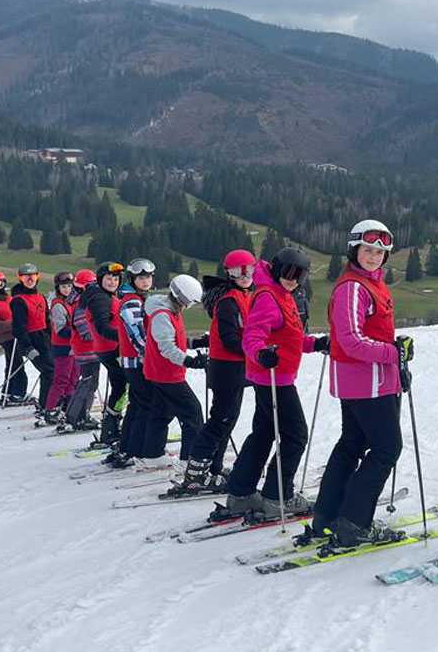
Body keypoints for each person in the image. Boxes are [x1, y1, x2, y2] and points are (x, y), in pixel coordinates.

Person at [310, 220, 415, 548]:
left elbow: (371, 333)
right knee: (387, 449)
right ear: (354, 250)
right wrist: (393, 353)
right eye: (367, 250)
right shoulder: (353, 288)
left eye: (380, 252)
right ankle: (354, 522)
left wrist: (397, 361)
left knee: (352, 444)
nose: (373, 256)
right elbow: (351, 340)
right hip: (366, 383)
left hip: (372, 381)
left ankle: (328, 516)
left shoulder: (371, 284)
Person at [223, 247, 319, 517]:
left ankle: (241, 492)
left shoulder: (282, 294)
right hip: (274, 378)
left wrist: (315, 343)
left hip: (272, 376)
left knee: (264, 433)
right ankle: (278, 496)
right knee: (295, 435)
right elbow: (252, 337)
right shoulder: (268, 296)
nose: (292, 279)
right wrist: (261, 353)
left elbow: (288, 336)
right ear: (276, 269)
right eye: (288, 272)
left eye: (299, 275)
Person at [176, 248, 256, 493]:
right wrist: (255, 350)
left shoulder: (243, 295)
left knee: (228, 419)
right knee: (220, 421)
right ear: (228, 273)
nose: (245, 276)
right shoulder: (228, 301)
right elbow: (229, 338)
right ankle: (195, 474)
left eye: (249, 270)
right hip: (227, 368)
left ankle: (213, 468)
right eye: (238, 271)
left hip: (237, 368)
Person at [141, 274, 207, 469]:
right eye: (190, 303)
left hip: (160, 373)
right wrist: (190, 361)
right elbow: (166, 347)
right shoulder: (162, 315)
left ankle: (153, 455)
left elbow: (177, 338)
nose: (190, 307)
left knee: (161, 413)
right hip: (167, 375)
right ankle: (190, 460)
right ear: (182, 299)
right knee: (192, 413)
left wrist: (198, 342)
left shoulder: (170, 311)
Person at [77, 261, 128, 445]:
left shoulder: (103, 295)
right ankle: (112, 428)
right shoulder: (100, 298)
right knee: (123, 387)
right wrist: (125, 336)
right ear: (100, 280)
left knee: (119, 387)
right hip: (111, 348)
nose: (113, 282)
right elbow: (101, 326)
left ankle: (110, 427)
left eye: (116, 279)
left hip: (107, 348)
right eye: (109, 278)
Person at [113, 258, 155, 460]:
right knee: (145, 403)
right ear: (132, 279)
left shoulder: (136, 298)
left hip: (133, 360)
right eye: (141, 278)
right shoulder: (131, 301)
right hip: (136, 361)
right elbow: (137, 334)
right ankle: (136, 449)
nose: (146, 281)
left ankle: (128, 446)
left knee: (137, 402)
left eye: (148, 277)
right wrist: (148, 355)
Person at [10, 262, 55, 411]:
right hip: (31, 339)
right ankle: (46, 405)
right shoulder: (18, 300)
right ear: (20, 278)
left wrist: (52, 338)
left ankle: (51, 402)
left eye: (33, 276)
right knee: (49, 371)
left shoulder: (40, 296)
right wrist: (28, 347)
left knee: (53, 370)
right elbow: (18, 327)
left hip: (44, 338)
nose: (30, 280)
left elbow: (47, 320)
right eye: (26, 277)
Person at [63, 269, 102, 432]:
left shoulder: (81, 301)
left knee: (87, 382)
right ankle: (79, 417)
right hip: (87, 350)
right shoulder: (81, 305)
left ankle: (75, 415)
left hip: (88, 350)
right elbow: (85, 332)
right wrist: (103, 332)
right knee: (89, 383)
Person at [0, 270, 27, 404]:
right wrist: (13, 324)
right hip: (5, 337)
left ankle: (8, 392)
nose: (0, 287)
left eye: (2, 283)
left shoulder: (9, 298)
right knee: (17, 363)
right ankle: (17, 393)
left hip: (15, 334)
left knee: (13, 363)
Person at [43, 271, 80, 422]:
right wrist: (78, 332)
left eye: (69, 286)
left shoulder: (71, 303)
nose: (67, 290)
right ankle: (50, 409)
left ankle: (67, 406)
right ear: (58, 288)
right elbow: (60, 329)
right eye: (64, 287)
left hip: (73, 347)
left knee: (73, 378)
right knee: (62, 379)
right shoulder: (58, 305)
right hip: (63, 347)